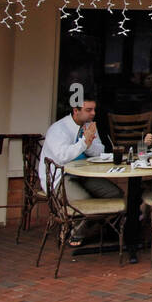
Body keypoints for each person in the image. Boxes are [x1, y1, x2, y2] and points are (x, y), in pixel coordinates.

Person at [41, 97, 123, 245]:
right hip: (62, 176)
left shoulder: (90, 126)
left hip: (86, 173)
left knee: (115, 195)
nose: (93, 113)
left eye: (94, 110)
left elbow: (99, 152)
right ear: (76, 110)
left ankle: (109, 228)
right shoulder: (58, 129)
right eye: (88, 110)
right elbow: (62, 156)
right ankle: (75, 232)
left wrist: (89, 142)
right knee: (85, 202)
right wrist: (84, 142)